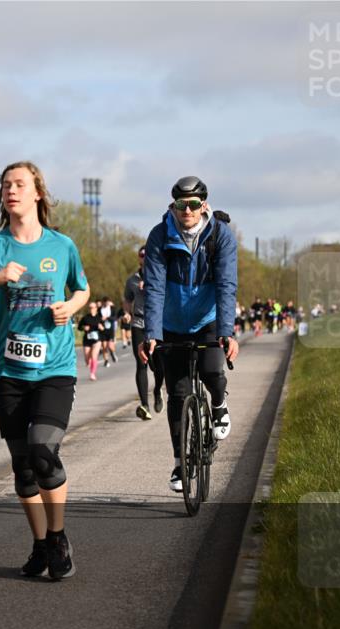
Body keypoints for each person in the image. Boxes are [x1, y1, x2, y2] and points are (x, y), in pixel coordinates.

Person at [0, 160, 90, 581]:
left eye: (19, 184)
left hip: (55, 368)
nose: (11, 190)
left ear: (37, 193)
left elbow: (82, 288)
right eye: (5, 185)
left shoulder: (61, 245)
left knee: (42, 452)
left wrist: (71, 307)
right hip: (10, 373)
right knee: (23, 467)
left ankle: (58, 537)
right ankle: (39, 544)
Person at [138, 176, 239, 493]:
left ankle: (219, 405)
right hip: (173, 323)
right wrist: (152, 334)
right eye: (182, 205)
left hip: (208, 319)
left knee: (211, 370)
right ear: (173, 205)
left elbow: (226, 285)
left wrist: (226, 332)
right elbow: (154, 288)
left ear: (204, 205)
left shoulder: (220, 235)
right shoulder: (160, 235)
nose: (188, 211)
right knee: (178, 394)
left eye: (194, 204)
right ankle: (181, 465)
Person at [124, 245, 165, 420]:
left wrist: (150, 285)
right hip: (139, 323)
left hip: (157, 324)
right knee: (141, 363)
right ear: (139, 258)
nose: (144, 258)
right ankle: (144, 405)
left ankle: (157, 391)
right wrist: (127, 313)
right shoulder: (132, 280)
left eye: (147, 255)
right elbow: (128, 299)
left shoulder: (161, 273)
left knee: (158, 366)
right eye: (141, 255)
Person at [77, 302, 104, 381]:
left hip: (97, 340)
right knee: (87, 358)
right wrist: (84, 328)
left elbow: (104, 328)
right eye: (90, 307)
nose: (91, 309)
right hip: (87, 340)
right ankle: (88, 362)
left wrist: (101, 327)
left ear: (96, 308)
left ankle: (92, 374)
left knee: (94, 356)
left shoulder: (99, 318)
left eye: (93, 307)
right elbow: (79, 327)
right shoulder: (85, 318)